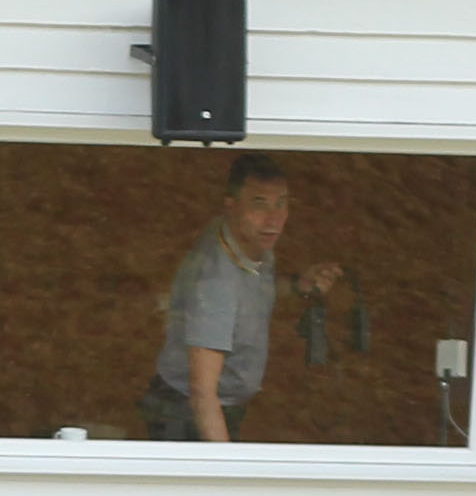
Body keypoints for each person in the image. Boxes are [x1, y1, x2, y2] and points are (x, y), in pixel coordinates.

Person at [144, 151, 342, 442]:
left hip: (212, 405)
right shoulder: (216, 285)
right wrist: (227, 471)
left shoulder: (246, 240)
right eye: (259, 204)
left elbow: (249, 291)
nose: (274, 219)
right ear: (231, 206)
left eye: (282, 203)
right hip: (187, 415)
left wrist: (298, 286)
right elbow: (202, 394)